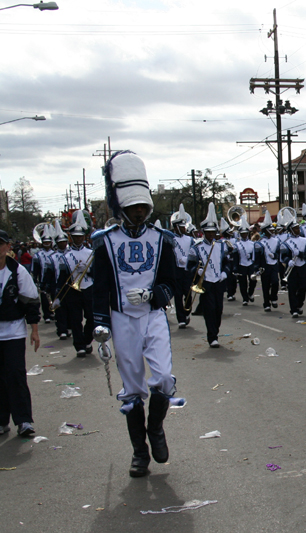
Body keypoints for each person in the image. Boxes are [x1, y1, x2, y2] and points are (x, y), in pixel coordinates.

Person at [91, 150, 182, 477]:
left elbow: (173, 282)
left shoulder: (163, 240)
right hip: (120, 318)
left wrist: (153, 294)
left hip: (153, 316)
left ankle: (155, 428)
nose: (140, 212)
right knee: (131, 388)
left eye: (144, 206)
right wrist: (100, 329)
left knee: (162, 378)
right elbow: (99, 289)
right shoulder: (104, 243)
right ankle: (139, 453)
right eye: (133, 207)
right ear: (121, 207)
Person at [0, 229, 40, 438]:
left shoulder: (17, 272)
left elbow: (31, 301)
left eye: (1, 244)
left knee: (15, 374)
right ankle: (1, 420)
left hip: (13, 331)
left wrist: (34, 330)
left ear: (8, 247)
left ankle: (23, 420)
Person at [188, 204, 229, 348]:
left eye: (213, 232)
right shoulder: (196, 248)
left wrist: (225, 272)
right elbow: (190, 266)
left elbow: (227, 263)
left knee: (218, 310)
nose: (211, 235)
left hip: (218, 281)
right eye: (208, 232)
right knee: (209, 310)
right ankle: (212, 337)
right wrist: (197, 271)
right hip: (205, 283)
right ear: (203, 232)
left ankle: (215, 332)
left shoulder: (221, 246)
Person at [60, 212, 95, 357]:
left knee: (92, 318)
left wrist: (88, 270)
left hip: (89, 287)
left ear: (84, 237)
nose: (78, 239)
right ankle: (79, 345)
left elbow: (97, 273)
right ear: (71, 237)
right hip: (73, 289)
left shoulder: (91, 252)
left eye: (80, 236)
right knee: (75, 319)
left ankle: (87, 340)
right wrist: (58, 296)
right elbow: (62, 278)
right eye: (75, 237)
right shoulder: (66, 256)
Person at [279, 215, 306, 318]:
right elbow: (283, 256)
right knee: (292, 289)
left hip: (303, 267)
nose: (297, 230)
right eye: (295, 228)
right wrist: (288, 261)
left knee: (303, 288)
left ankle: (299, 305)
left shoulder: (305, 241)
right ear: (291, 230)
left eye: (298, 228)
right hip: (292, 268)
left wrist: (300, 254)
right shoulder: (286, 243)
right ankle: (293, 309)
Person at [170, 205, 194, 328]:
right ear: (176, 228)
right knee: (178, 295)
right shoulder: (171, 239)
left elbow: (194, 253)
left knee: (188, 295)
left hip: (187, 271)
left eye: (184, 227)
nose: (184, 229)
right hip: (176, 271)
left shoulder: (190, 239)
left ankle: (187, 312)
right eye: (181, 227)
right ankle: (181, 319)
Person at [255, 212, 280, 312]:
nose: (272, 232)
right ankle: (266, 303)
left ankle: (273, 298)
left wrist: (275, 255)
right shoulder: (260, 242)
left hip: (273, 265)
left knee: (275, 282)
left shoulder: (276, 241)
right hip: (265, 266)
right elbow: (257, 257)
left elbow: (279, 253)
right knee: (265, 285)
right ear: (265, 231)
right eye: (270, 230)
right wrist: (256, 268)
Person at [234, 219, 257, 305]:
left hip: (250, 264)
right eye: (242, 233)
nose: (244, 235)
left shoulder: (252, 243)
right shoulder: (237, 244)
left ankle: (250, 293)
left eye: (245, 233)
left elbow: (254, 255)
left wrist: (254, 264)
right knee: (243, 282)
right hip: (241, 264)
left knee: (253, 281)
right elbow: (236, 257)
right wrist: (235, 268)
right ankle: (245, 298)